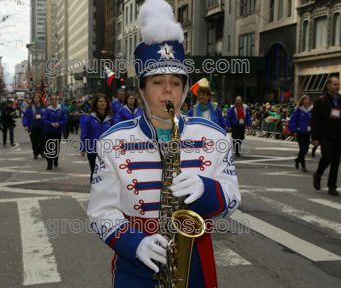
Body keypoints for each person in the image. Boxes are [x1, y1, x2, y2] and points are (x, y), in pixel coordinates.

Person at [86, 1, 241, 286]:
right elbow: (100, 212)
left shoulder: (214, 136)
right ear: (141, 90)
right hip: (135, 266)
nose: (168, 90)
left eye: (176, 82)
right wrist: (134, 244)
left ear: (185, 88)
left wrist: (206, 190)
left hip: (194, 263)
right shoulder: (113, 141)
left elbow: (232, 197)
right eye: (157, 81)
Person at [311, 77, 341, 196]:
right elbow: (315, 120)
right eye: (334, 84)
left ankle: (332, 186)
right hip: (325, 135)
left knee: (336, 161)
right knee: (327, 158)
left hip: (338, 136)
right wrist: (314, 137)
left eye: (338, 84)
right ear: (328, 86)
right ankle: (318, 174)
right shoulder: (321, 100)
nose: (337, 86)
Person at [80, 95, 114, 182]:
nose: (103, 103)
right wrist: (83, 147)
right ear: (96, 104)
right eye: (100, 101)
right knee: (95, 172)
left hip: (107, 150)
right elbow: (84, 133)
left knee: (107, 172)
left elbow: (115, 134)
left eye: (104, 101)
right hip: (93, 150)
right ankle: (94, 191)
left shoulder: (111, 119)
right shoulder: (90, 118)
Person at [43, 95, 68, 170]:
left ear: (57, 100)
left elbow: (64, 119)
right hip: (48, 130)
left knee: (56, 147)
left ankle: (55, 159)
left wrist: (59, 124)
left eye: (55, 99)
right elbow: (44, 119)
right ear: (50, 100)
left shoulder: (61, 110)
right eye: (52, 99)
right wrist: (51, 124)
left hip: (57, 131)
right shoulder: (47, 110)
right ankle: (49, 163)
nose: (54, 100)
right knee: (49, 147)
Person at [288, 95, 312, 172]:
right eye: (305, 99)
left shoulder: (311, 111)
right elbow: (292, 120)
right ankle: (303, 165)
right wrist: (293, 130)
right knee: (302, 148)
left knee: (306, 149)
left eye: (308, 99)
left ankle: (298, 159)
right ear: (302, 101)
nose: (307, 101)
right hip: (300, 132)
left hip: (307, 132)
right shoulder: (298, 110)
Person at [22, 94, 46, 159]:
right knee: (34, 141)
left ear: (40, 99)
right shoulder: (29, 107)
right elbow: (25, 117)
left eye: (37, 98)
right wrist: (26, 125)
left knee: (42, 140)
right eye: (34, 98)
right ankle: (35, 152)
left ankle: (42, 151)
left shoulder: (44, 107)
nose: (36, 99)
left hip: (42, 127)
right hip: (33, 127)